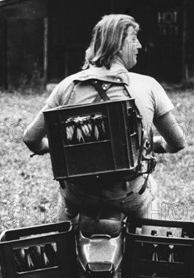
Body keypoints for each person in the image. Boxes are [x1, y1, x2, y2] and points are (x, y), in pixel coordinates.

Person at [23, 14, 185, 222]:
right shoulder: (148, 85)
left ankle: (64, 244)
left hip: (80, 195)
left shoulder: (67, 85)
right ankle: (146, 245)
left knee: (64, 214)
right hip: (128, 195)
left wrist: (45, 147)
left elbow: (30, 138)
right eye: (133, 38)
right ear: (117, 44)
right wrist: (162, 146)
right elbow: (178, 142)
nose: (140, 45)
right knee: (150, 189)